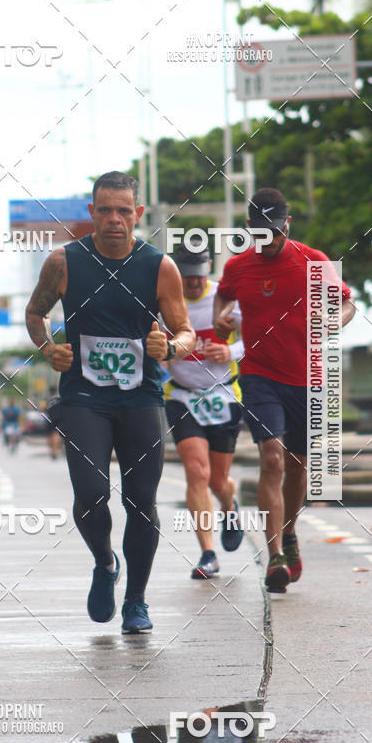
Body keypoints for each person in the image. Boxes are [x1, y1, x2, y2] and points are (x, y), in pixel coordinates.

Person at [25, 170, 195, 633]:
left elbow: (185, 328)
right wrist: (47, 350)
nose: (114, 219)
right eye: (105, 210)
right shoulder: (63, 262)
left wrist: (173, 348)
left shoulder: (159, 266)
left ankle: (136, 602)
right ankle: (105, 562)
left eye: (124, 211)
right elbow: (35, 311)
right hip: (83, 397)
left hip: (140, 397)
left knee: (142, 501)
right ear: (92, 213)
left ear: (138, 214)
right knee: (90, 495)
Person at [213, 187, 355, 593]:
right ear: (249, 229)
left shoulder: (315, 261)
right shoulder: (239, 267)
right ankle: (274, 555)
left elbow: (348, 304)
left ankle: (289, 533)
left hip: (308, 377)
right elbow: (224, 294)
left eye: (274, 232)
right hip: (259, 376)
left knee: (297, 467)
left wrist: (335, 322)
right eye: (260, 233)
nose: (268, 240)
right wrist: (222, 318)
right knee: (271, 459)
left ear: (287, 226)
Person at [164, 243, 245, 580]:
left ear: (208, 269)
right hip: (182, 396)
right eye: (187, 278)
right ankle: (208, 553)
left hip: (224, 394)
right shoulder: (165, 303)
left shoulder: (225, 300)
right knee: (196, 471)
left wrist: (229, 351)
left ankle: (230, 506)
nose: (194, 284)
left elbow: (256, 339)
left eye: (199, 277)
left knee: (217, 479)